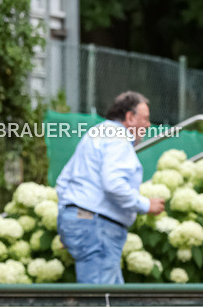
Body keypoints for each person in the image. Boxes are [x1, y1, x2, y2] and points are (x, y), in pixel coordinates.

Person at [56, 92, 165, 284]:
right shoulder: (119, 139)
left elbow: (63, 181)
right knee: (101, 302)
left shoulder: (96, 133)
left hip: (83, 219)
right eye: (146, 119)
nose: (148, 125)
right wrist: (146, 205)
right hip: (98, 226)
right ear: (130, 118)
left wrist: (69, 220)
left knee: (112, 299)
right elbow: (113, 184)